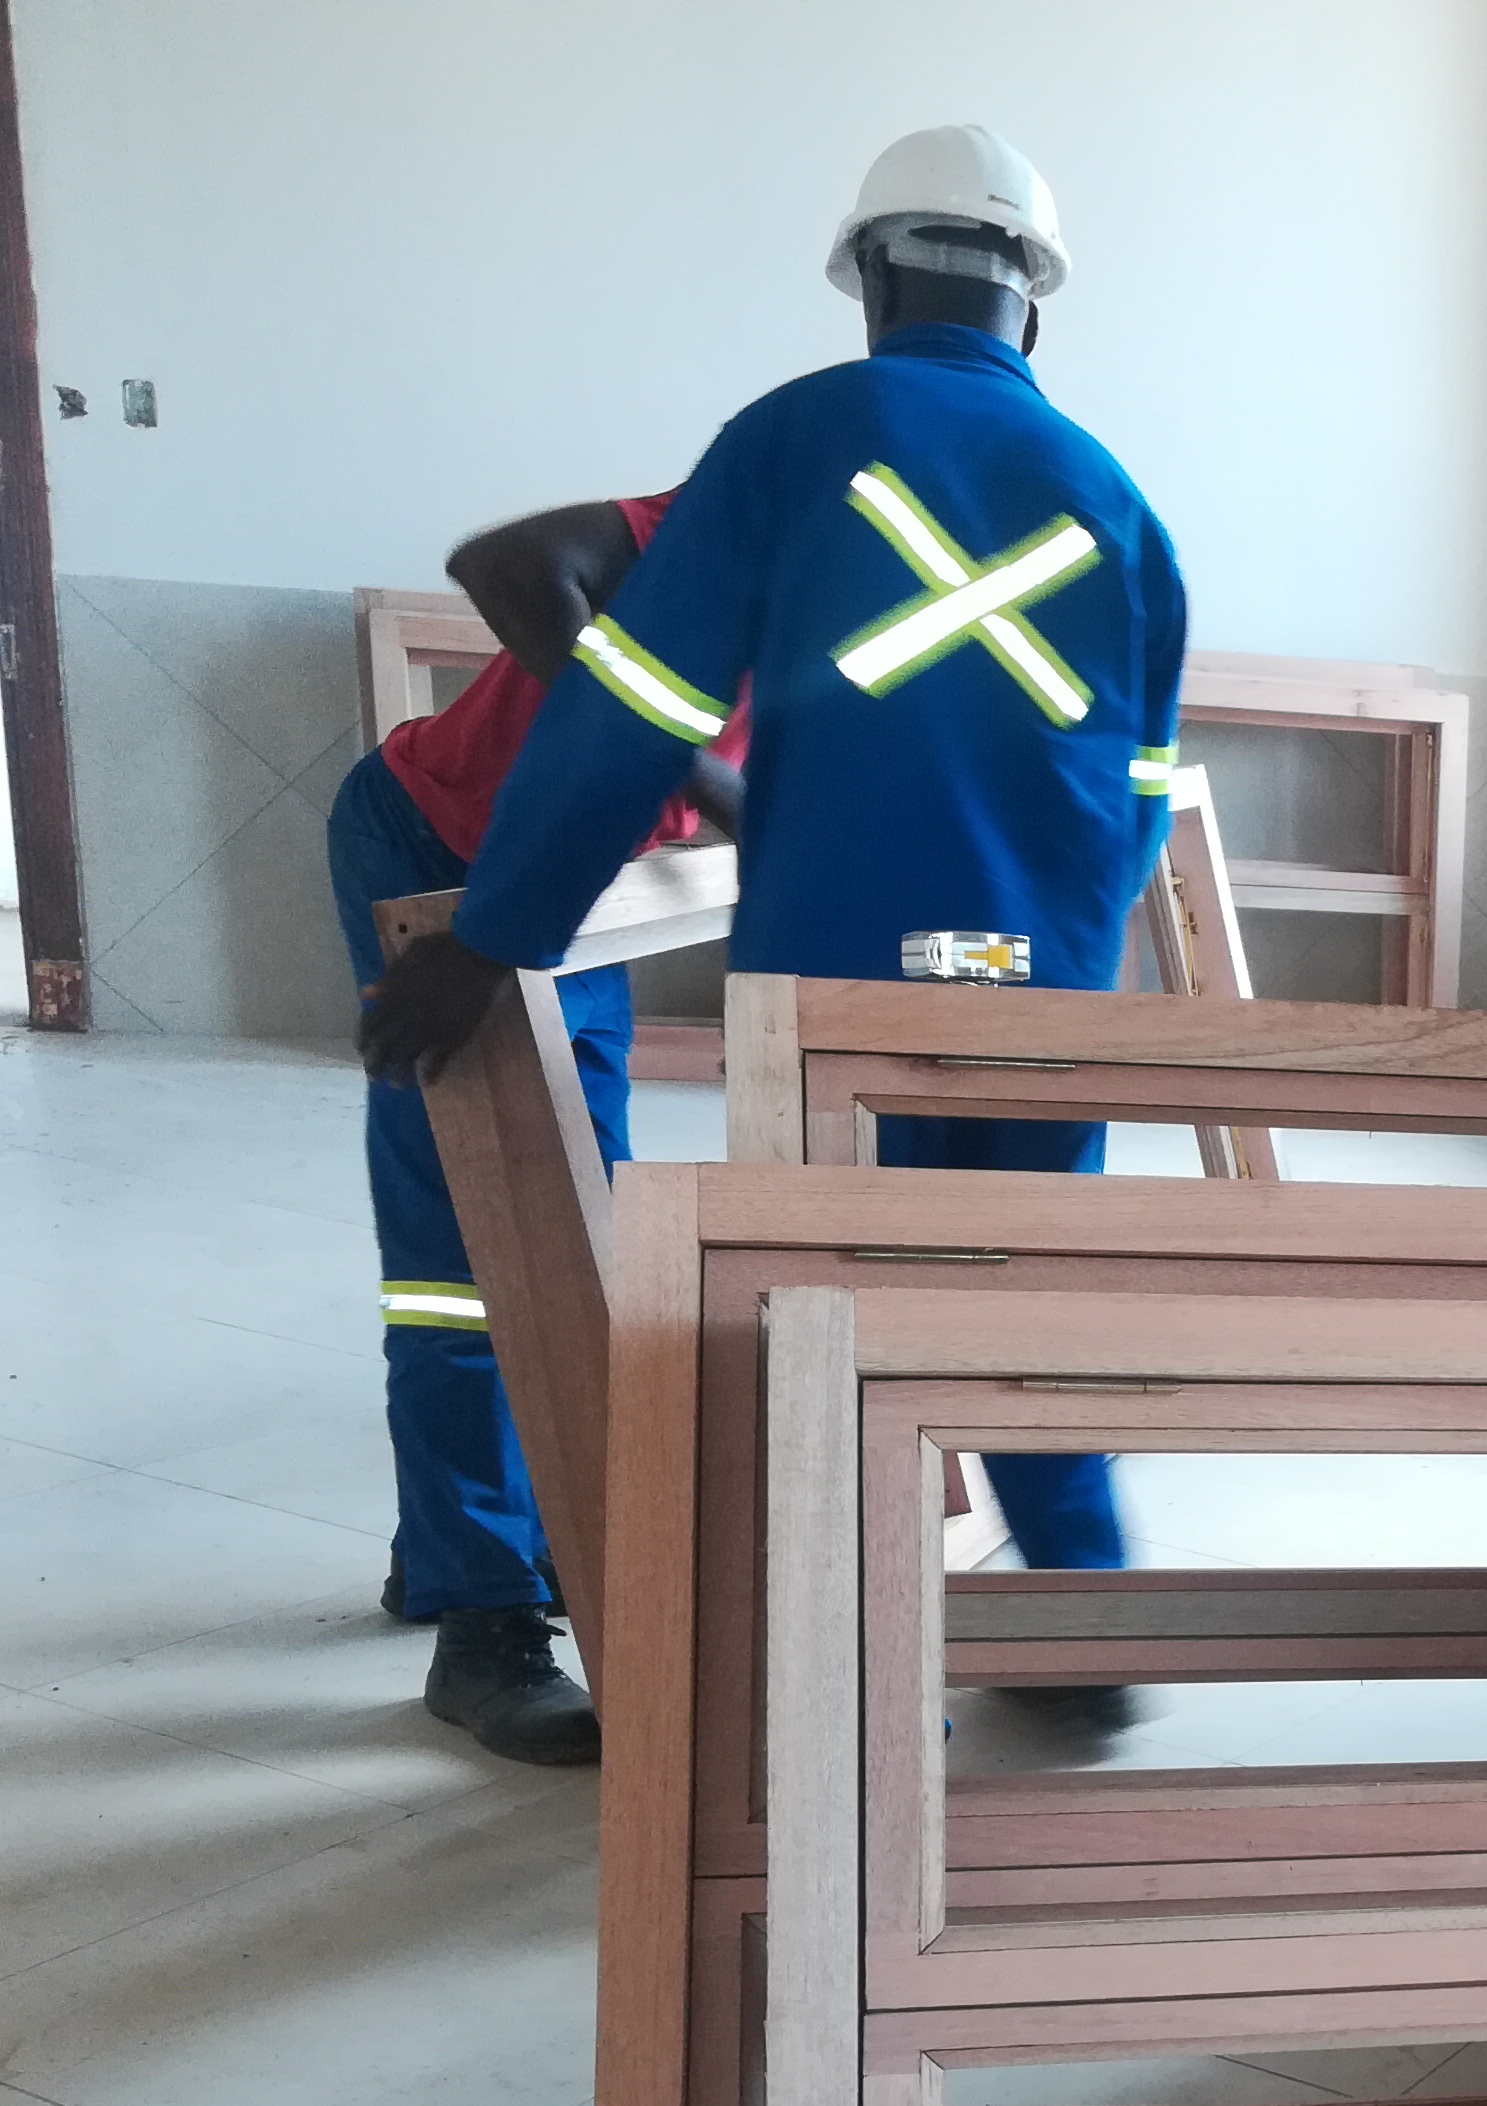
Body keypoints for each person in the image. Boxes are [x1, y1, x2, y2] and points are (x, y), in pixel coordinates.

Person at [365, 123, 1185, 1737]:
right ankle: (1080, 1619)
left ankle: (827, 1657)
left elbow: (634, 704)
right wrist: (1039, 962)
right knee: (1021, 1279)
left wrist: (502, 931)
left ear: (869, 280)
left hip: (833, 977)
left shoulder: (800, 434)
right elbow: (1138, 798)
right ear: (1036, 304)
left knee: (825, 1302)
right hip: (1030, 980)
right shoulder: (1119, 502)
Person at [333, 498, 743, 1766]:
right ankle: (483, 1620)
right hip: (442, 845)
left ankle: (468, 1537)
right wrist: (689, 768)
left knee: (578, 1225)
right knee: (472, 1245)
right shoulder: (778, 490)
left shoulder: (941, 572)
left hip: (588, 879)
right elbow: (503, 565)